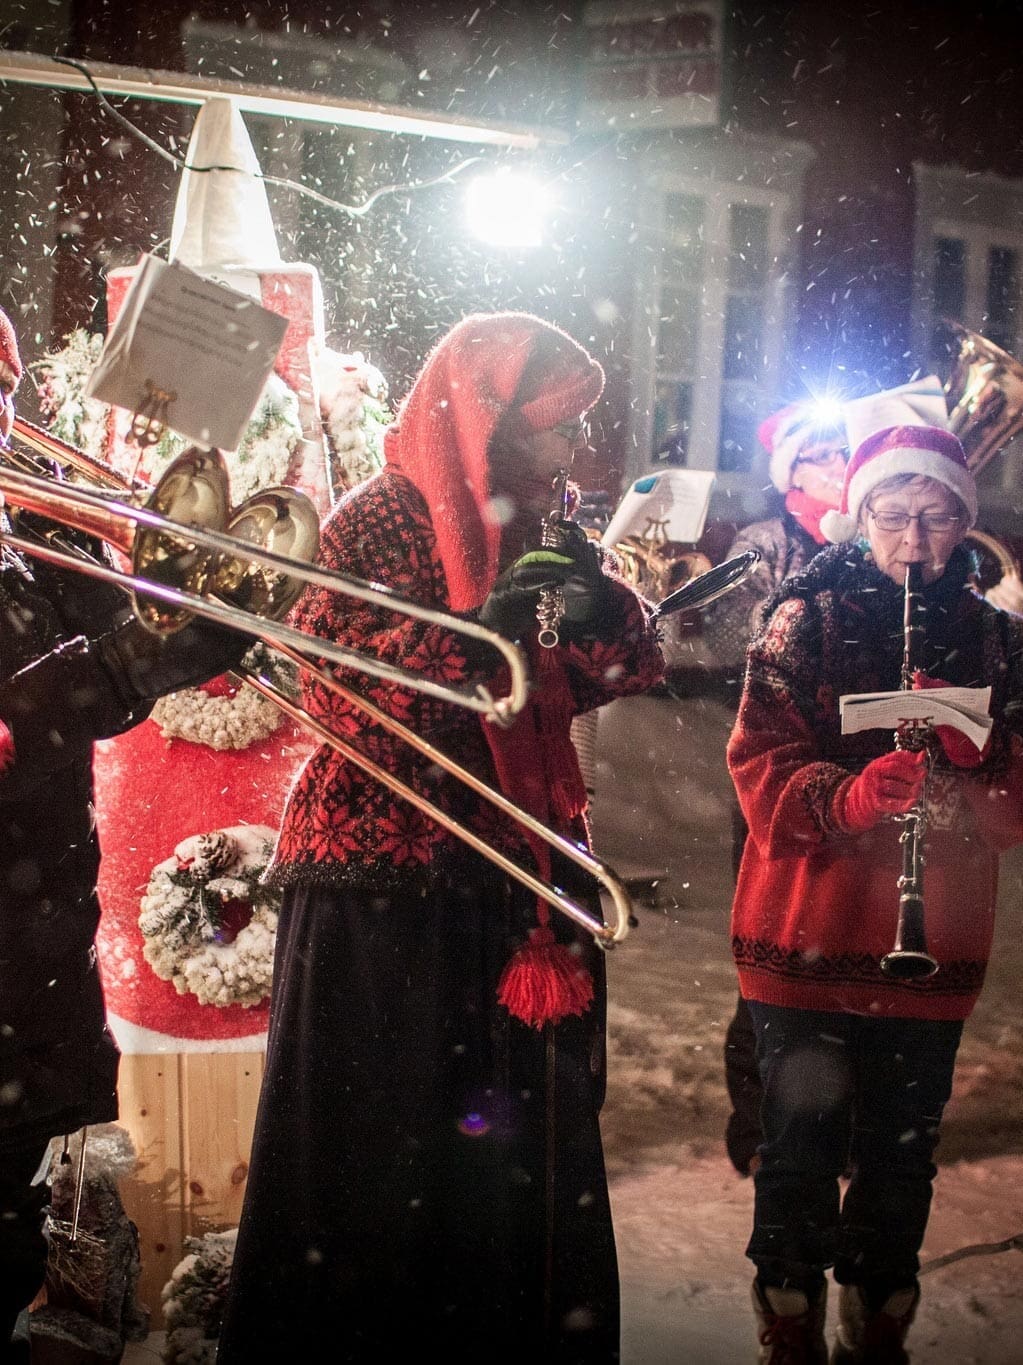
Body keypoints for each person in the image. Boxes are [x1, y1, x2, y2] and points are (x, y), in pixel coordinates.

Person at [216, 311, 666, 1363]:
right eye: (557, 427)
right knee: (379, 1154)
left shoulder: (545, 523)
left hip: (518, 879)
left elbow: (615, 676)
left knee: (514, 1161)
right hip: (385, 886)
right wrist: (474, 637)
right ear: (488, 421)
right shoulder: (373, 522)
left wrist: (607, 613)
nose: (573, 453)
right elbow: (337, 680)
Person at [726, 423, 1023, 1363]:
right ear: (858, 521)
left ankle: (880, 1306)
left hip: (931, 939)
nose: (913, 539)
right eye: (891, 517)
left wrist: (986, 761)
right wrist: (845, 796)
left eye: (935, 518)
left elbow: (1017, 807)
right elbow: (758, 763)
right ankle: (788, 1309)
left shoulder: (997, 639)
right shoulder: (801, 616)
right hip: (803, 926)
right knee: (800, 1140)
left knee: (901, 1151)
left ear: (961, 526)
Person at [0, 305, 252, 1360]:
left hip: (30, 947)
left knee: (15, 1224)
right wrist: (109, 670)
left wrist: (204, 612)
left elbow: (123, 628)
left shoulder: (22, 532)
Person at [699, 399, 849, 1178]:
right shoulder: (765, 544)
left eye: (844, 453)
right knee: (772, 944)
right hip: (772, 773)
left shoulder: (871, 537)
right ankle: (758, 1127)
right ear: (792, 471)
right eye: (823, 456)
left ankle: (843, 1127)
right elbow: (732, 638)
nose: (839, 466)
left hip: (856, 780)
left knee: (851, 952)